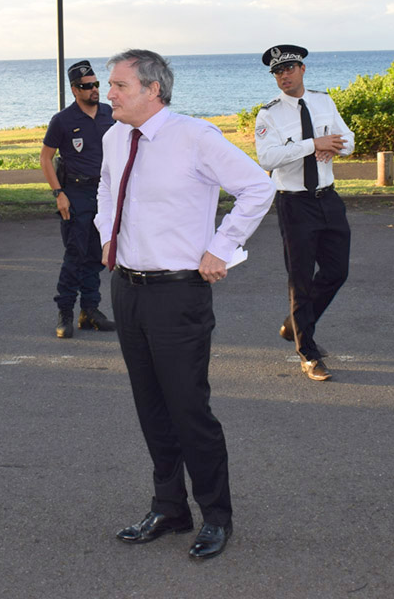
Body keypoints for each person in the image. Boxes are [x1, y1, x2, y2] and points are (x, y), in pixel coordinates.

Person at [95, 49, 274, 560]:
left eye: (120, 85)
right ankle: (170, 508)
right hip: (127, 289)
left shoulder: (194, 137)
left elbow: (257, 187)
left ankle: (217, 515)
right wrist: (107, 234)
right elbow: (108, 188)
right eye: (110, 85)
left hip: (178, 294)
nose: (110, 93)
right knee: (151, 407)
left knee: (188, 408)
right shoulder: (114, 137)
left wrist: (221, 248)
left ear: (154, 90)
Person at [253, 45, 354, 382]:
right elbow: (268, 158)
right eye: (278, 72)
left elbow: (349, 139)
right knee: (300, 277)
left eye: (289, 69)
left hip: (328, 198)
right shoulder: (268, 114)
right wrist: (314, 145)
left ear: (302, 69)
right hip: (295, 203)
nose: (284, 76)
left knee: (337, 271)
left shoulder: (324, 101)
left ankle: (294, 324)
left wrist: (335, 144)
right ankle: (307, 352)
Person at [39, 60, 116, 338]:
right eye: (87, 86)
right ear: (75, 89)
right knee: (75, 256)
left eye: (96, 84)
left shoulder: (110, 114)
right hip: (76, 194)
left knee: (96, 255)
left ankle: (90, 312)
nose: (94, 89)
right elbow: (46, 158)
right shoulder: (62, 121)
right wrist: (58, 194)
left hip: (104, 194)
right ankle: (65, 313)